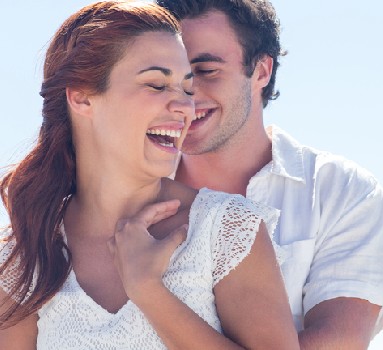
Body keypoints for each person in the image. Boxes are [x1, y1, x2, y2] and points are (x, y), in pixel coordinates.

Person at [0, 1, 298, 349]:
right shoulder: (24, 258)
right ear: (82, 97)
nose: (185, 106)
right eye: (157, 85)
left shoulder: (227, 231)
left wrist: (149, 291)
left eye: (187, 89)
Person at [154, 0, 383, 348]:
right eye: (167, 76)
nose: (184, 96)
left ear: (261, 71)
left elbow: (339, 343)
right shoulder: (130, 188)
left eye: (205, 70)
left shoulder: (340, 190)